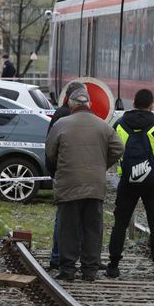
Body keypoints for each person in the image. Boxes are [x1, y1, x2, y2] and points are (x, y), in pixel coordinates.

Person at [45, 88, 123, 281]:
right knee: (92, 230)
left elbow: (50, 152)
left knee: (68, 229)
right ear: (89, 104)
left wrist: (62, 165)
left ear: (71, 104)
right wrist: (101, 165)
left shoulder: (61, 124)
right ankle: (89, 271)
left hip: (69, 184)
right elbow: (118, 148)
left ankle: (68, 270)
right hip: (95, 185)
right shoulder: (102, 126)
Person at [106, 88, 154, 281]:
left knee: (120, 223)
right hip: (152, 182)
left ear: (133, 104)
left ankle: (113, 266)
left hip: (127, 181)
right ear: (151, 105)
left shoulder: (119, 125)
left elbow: (110, 152)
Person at [46, 81, 86, 270]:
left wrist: (54, 172)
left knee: (64, 216)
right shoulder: (67, 116)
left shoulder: (59, 115)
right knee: (70, 218)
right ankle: (62, 256)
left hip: (64, 174)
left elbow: (50, 147)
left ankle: (59, 256)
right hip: (73, 174)